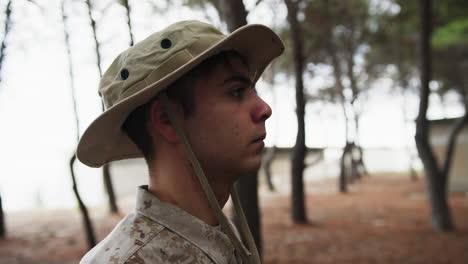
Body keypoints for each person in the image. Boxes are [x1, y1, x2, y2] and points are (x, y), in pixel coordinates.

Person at [77, 20, 284, 264]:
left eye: (252, 91)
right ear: (167, 120)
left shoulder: (216, 233)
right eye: (236, 91)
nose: (264, 109)